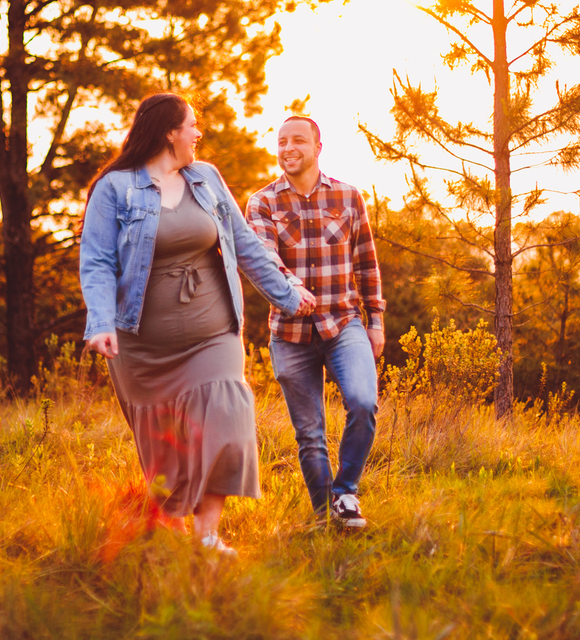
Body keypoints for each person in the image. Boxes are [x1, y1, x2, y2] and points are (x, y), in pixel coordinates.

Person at [79, 93, 316, 556]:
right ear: (171, 132)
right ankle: (171, 533)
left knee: (228, 415)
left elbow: (245, 245)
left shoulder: (205, 178)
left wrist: (288, 294)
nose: (198, 134)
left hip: (213, 332)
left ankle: (207, 535)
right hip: (140, 343)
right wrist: (101, 322)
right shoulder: (115, 188)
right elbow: (98, 261)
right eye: (192, 126)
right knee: (164, 447)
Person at [246, 115, 385, 529]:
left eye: (298, 141)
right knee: (310, 434)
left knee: (363, 402)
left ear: (317, 147)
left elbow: (366, 262)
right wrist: (291, 286)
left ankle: (345, 494)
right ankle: (325, 519)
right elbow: (263, 257)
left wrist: (376, 320)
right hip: (289, 333)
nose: (288, 148)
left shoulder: (348, 196)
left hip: (343, 323)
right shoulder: (262, 202)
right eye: (282, 142)